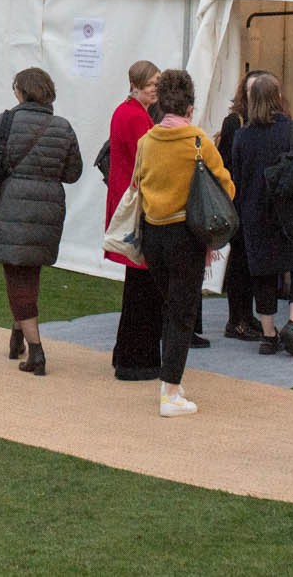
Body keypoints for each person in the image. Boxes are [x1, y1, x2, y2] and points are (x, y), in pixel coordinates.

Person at [131, 69, 232, 417]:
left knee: (170, 307)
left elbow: (136, 184)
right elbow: (226, 189)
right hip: (185, 236)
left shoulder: (147, 141)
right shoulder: (199, 142)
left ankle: (169, 383)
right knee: (182, 313)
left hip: (152, 233)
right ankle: (170, 391)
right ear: (190, 107)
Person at [0, 66, 83, 375]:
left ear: (21, 92)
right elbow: (73, 173)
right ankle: (17, 336)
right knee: (28, 274)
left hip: (11, 205)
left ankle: (36, 350)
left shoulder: (6, 121)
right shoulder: (62, 126)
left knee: (18, 277)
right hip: (47, 209)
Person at [230, 72, 293, 357]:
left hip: (255, 214)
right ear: (279, 98)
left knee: (264, 276)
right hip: (292, 213)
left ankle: (268, 334)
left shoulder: (242, 136)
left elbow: (238, 179)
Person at [105, 59, 164, 381]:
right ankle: (135, 358)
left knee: (138, 287)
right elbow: (148, 162)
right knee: (142, 288)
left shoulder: (129, 113)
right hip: (138, 205)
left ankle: (128, 354)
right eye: (152, 83)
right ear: (138, 84)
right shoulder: (133, 117)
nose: (155, 88)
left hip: (131, 199)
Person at [215, 69, 278, 341]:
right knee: (239, 261)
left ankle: (246, 315)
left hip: (255, 201)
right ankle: (236, 319)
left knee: (251, 261)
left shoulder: (264, 123)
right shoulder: (235, 122)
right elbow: (225, 163)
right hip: (238, 200)